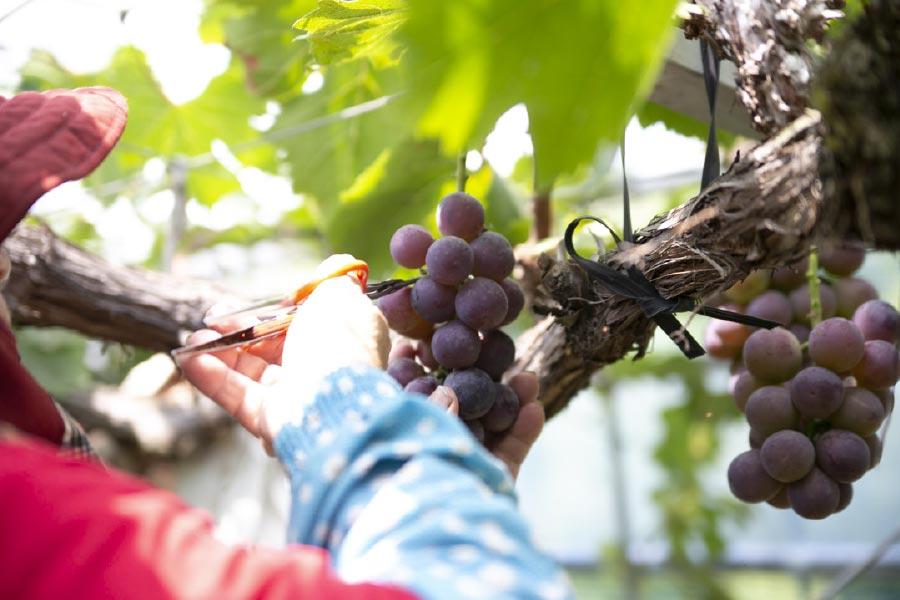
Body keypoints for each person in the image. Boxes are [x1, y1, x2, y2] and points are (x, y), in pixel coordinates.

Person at [0, 87, 575, 599]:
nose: (7, 273)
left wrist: (415, 491)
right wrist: (344, 408)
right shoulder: (32, 520)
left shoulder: (46, 522)